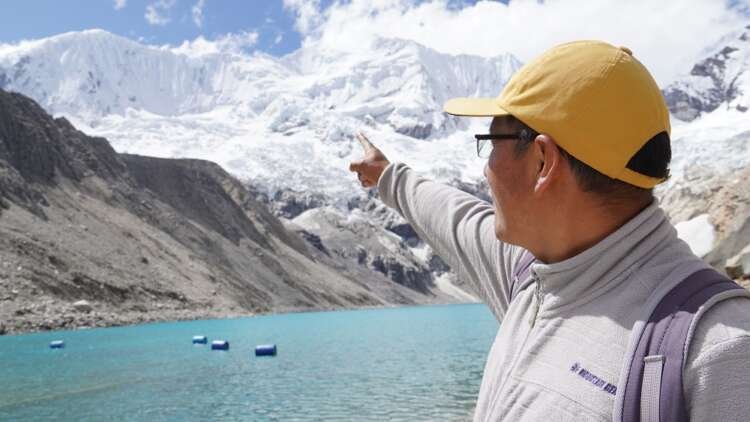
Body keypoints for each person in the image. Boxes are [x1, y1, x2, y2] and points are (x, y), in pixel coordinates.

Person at [349, 40, 750, 421]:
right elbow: (454, 218)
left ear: (542, 160)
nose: (486, 170)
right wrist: (386, 175)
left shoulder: (720, 348)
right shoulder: (535, 272)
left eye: (491, 144)